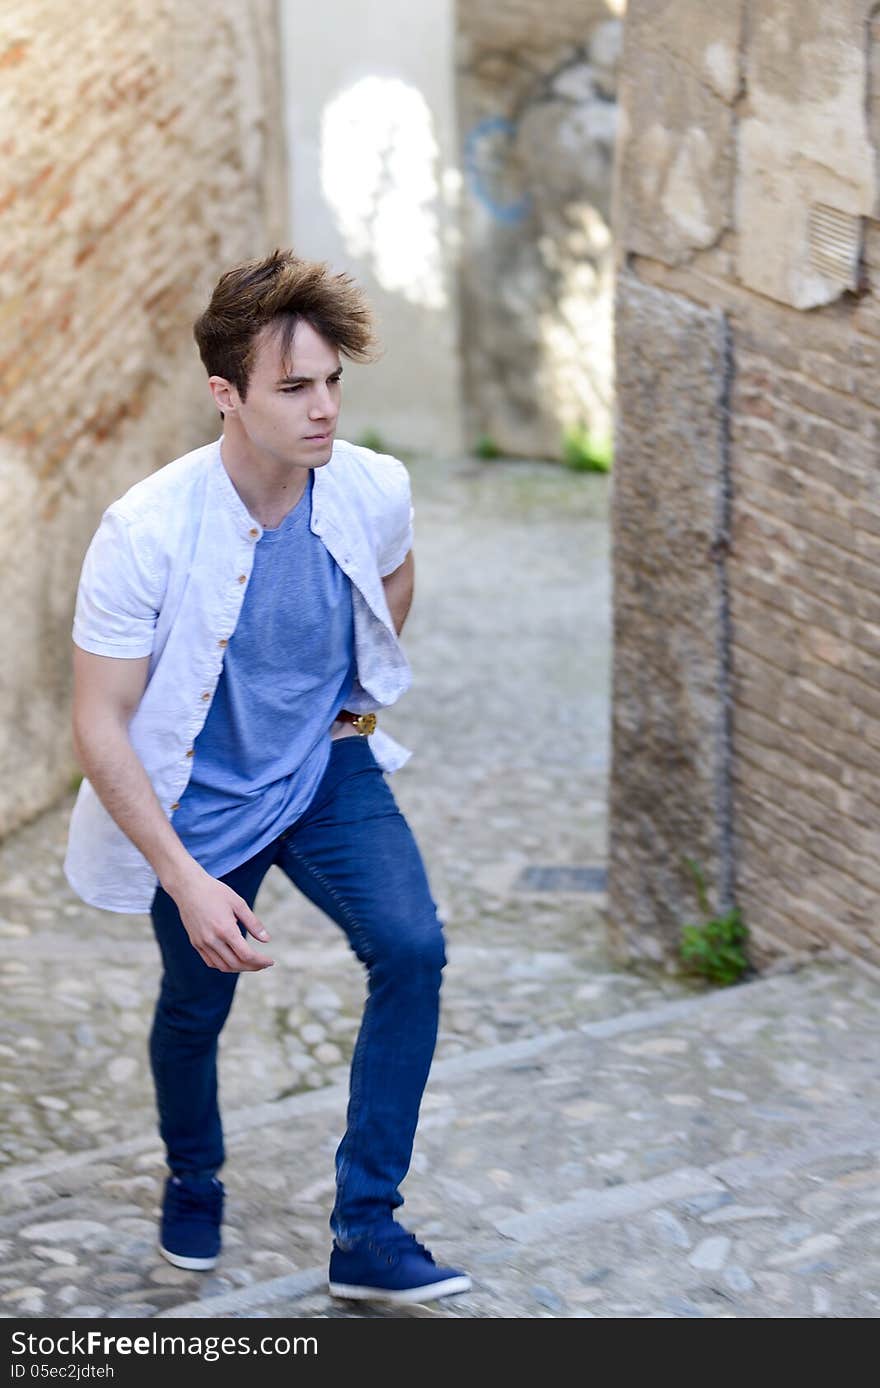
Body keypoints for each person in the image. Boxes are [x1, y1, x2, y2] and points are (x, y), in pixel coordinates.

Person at [64, 249, 470, 1306]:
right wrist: (188, 877)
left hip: (327, 766)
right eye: (294, 387)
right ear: (225, 396)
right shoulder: (144, 532)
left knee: (413, 947)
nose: (324, 407)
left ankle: (367, 1226)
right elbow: (98, 722)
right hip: (195, 802)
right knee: (195, 1010)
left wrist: (351, 697)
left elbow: (394, 575)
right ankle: (193, 1175)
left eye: (332, 381)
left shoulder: (373, 485)